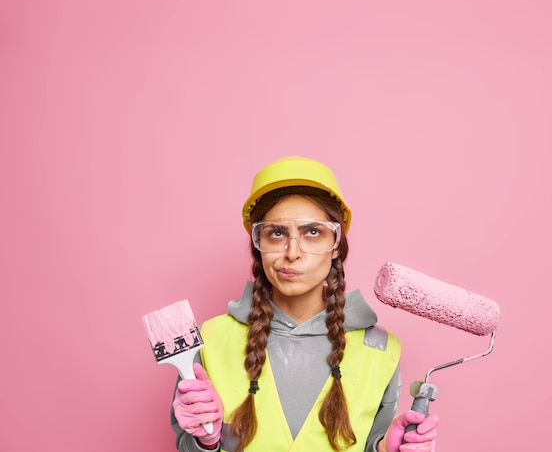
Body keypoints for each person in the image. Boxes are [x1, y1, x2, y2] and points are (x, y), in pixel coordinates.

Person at [171, 156, 439, 452]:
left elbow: (369, 443)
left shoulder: (380, 349)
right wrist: (205, 440)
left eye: (313, 232)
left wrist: (385, 448)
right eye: (276, 233)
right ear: (258, 243)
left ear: (336, 246)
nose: (292, 252)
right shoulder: (208, 340)